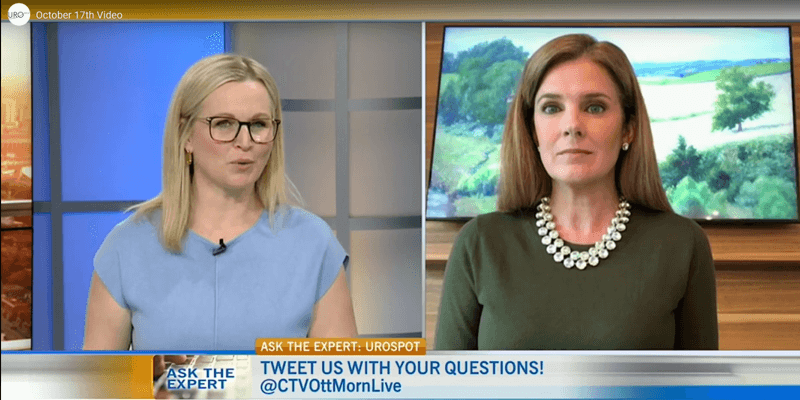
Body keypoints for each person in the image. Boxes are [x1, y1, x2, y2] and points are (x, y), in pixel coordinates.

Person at [435, 34, 718, 350]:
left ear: (629, 128)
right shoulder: (479, 244)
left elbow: (701, 379)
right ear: (532, 130)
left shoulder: (683, 245)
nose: (572, 125)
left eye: (594, 107)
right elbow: (445, 379)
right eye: (552, 107)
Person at [84, 54, 357, 350]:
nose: (245, 142)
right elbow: (100, 378)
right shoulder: (127, 248)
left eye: (258, 124)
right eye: (224, 124)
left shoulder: (313, 244)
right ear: (185, 135)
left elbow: (341, 373)